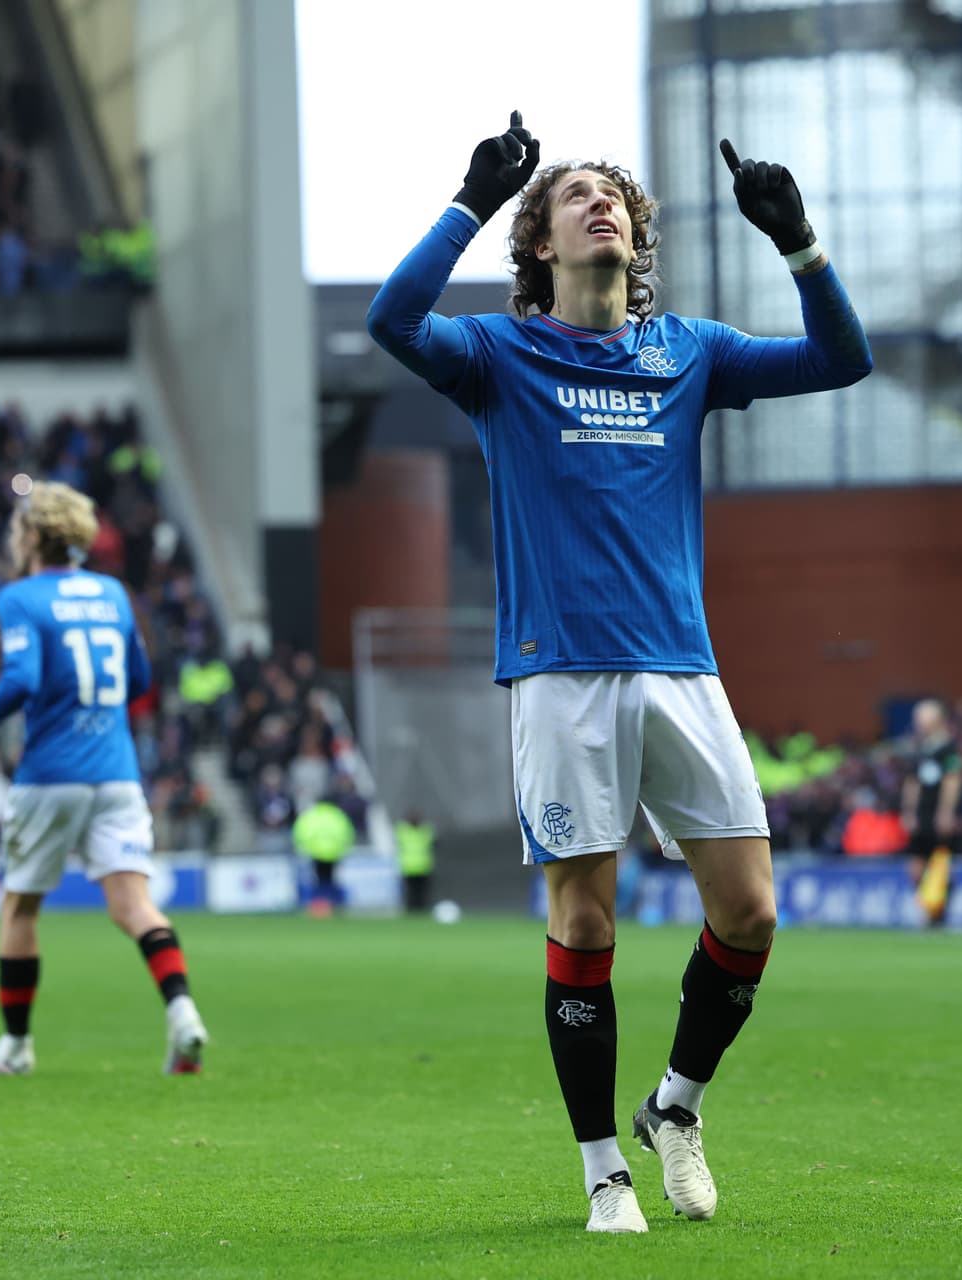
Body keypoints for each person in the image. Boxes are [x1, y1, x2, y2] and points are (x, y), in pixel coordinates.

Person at [366, 112, 872, 1232]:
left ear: (637, 239)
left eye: (618, 200)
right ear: (539, 241)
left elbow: (844, 359)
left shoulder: (689, 350)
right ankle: (603, 1168)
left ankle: (674, 1105)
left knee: (748, 912)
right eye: (576, 196)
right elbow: (391, 319)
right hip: (560, 676)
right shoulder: (499, 354)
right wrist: (469, 198)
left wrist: (801, 245)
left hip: (683, 669)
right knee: (585, 925)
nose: (604, 206)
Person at [0, 481, 209, 1077]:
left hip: (51, 775)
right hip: (116, 773)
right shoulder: (112, 593)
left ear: (32, 535)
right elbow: (138, 680)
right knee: (135, 904)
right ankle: (183, 1011)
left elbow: (20, 680)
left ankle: (16, 1047)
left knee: (19, 907)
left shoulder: (21, 598)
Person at [900, 700, 962, 925]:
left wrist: (946, 811)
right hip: (921, 815)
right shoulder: (918, 748)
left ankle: (938, 914)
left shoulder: (948, 748)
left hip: (937, 816)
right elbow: (912, 782)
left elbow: (952, 780)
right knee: (915, 868)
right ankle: (927, 910)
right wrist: (908, 811)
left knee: (940, 866)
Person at [291, 796, 356, 918]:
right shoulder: (338, 815)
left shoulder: (311, 815)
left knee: (318, 880)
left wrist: (304, 847)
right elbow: (348, 833)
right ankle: (334, 905)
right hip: (334, 852)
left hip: (316, 852)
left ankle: (319, 908)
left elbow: (300, 832)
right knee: (331, 879)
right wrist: (343, 848)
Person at [395, 811, 436, 913]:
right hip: (414, 866)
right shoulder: (425, 830)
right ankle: (414, 910)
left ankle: (417, 910)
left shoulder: (403, 830)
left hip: (417, 866)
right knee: (414, 891)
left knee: (418, 891)